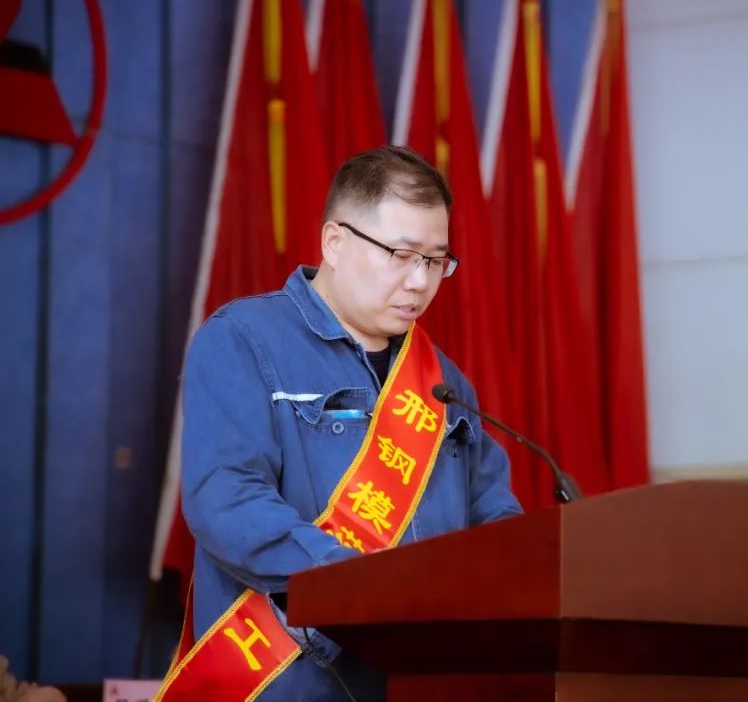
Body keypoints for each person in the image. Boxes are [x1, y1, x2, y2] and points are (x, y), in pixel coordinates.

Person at [158, 146, 522, 700]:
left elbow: (494, 518)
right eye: (401, 255)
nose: (420, 281)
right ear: (334, 242)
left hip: (423, 681)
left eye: (435, 261)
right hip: (290, 681)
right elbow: (227, 501)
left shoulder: (442, 381)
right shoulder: (243, 340)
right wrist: (362, 588)